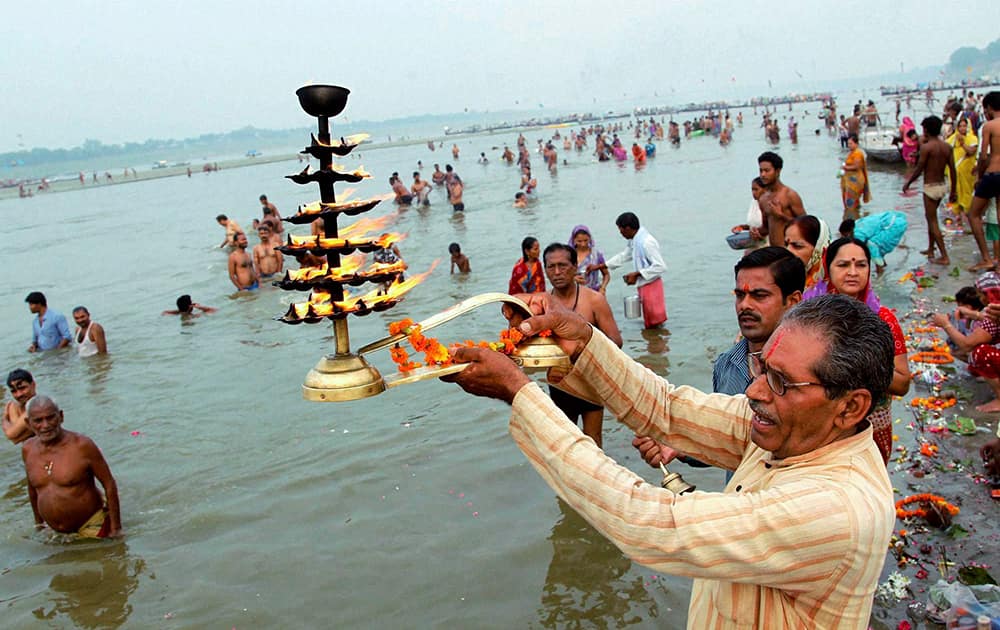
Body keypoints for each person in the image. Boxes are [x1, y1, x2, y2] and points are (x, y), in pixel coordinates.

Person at [443, 293, 895, 629]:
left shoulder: (836, 508)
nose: (755, 391)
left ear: (851, 408)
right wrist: (582, 342)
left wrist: (519, 393)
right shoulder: (787, 431)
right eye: (760, 367)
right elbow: (666, 408)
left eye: (781, 382)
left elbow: (650, 523)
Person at [634, 247, 805, 476]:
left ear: (792, 301)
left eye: (759, 295)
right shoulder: (727, 364)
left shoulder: (811, 373)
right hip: (737, 501)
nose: (745, 305)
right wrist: (678, 446)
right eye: (740, 295)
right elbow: (726, 442)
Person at [802, 238, 911, 462]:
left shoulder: (884, 320)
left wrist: (856, 364)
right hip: (820, 425)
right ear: (828, 269)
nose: (853, 272)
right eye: (843, 265)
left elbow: (902, 383)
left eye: (861, 265)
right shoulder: (809, 317)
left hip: (870, 429)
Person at [542, 243, 622, 447]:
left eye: (563, 265)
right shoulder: (541, 305)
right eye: (551, 267)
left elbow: (616, 342)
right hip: (559, 383)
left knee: (594, 443)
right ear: (545, 270)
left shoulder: (594, 300)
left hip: (590, 381)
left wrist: (584, 348)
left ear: (575, 266)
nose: (557, 272)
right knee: (565, 444)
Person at [21, 395, 122, 539]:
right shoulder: (28, 449)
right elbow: (32, 489)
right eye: (38, 420)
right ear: (28, 423)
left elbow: (109, 484)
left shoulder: (82, 446)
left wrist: (116, 528)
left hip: (94, 527)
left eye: (50, 418)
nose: (45, 425)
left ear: (61, 416)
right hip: (57, 534)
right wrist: (39, 525)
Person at [932, 272, 1000, 412]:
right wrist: (971, 315)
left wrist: (946, 324)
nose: (980, 298)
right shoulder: (991, 312)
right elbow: (982, 318)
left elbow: (966, 344)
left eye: (982, 293)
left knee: (979, 353)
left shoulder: (994, 314)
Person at [903, 116, 959, 267]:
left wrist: (908, 183)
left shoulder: (927, 148)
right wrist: (953, 191)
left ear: (926, 130)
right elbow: (953, 171)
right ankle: (930, 249)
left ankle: (944, 256)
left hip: (930, 187)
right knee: (931, 217)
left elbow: (919, 169)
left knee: (932, 220)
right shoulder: (947, 147)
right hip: (942, 186)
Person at [604, 212, 667, 328]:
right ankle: (654, 342)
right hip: (644, 285)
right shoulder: (635, 240)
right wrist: (603, 265)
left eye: (620, 230)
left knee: (655, 321)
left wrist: (637, 274)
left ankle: (658, 343)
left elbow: (660, 266)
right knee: (649, 320)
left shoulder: (647, 242)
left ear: (627, 228)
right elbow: (625, 255)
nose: (620, 233)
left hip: (652, 286)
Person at [969, 92, 1000, 270]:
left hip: (993, 174)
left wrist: (979, 177)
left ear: (988, 107)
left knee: (973, 214)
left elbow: (983, 156)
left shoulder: (989, 126)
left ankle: (987, 257)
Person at [756, 152, 806, 247]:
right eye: (761, 171)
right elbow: (766, 228)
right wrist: (754, 232)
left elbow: (806, 225)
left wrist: (781, 216)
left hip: (790, 250)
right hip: (774, 251)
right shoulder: (763, 199)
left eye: (767, 171)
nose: (763, 175)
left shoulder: (790, 195)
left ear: (778, 171)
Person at [839, 212, 908, 275]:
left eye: (845, 235)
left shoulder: (858, 233)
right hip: (895, 219)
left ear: (850, 230)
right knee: (876, 246)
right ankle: (882, 266)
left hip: (894, 225)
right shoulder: (858, 223)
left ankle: (880, 274)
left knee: (873, 245)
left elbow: (857, 250)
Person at [948, 117, 979, 215]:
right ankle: (957, 217)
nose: (962, 128)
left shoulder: (973, 138)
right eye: (960, 126)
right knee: (955, 192)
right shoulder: (953, 138)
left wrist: (962, 144)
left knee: (967, 192)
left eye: (964, 126)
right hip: (955, 171)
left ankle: (968, 214)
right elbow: (945, 148)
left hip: (968, 171)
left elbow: (971, 151)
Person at [731, 177, 769, 253]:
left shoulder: (769, 204)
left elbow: (771, 227)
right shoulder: (754, 203)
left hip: (767, 243)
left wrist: (760, 235)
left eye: (756, 189)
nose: (753, 193)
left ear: (765, 190)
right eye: (752, 189)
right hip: (754, 243)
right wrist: (742, 227)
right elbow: (754, 224)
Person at [569, 225, 610, 294]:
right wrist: (573, 279)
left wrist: (603, 288)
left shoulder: (596, 255)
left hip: (594, 293)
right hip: (575, 293)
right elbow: (563, 275)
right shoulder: (568, 255)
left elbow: (606, 275)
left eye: (586, 240)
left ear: (590, 238)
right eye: (579, 241)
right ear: (574, 240)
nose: (583, 244)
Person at [840, 134, 870, 221]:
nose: (849, 146)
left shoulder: (858, 153)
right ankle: (856, 217)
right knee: (852, 202)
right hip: (850, 181)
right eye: (848, 144)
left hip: (855, 182)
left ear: (856, 143)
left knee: (851, 203)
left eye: (851, 144)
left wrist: (845, 168)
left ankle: (853, 219)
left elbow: (857, 166)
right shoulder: (852, 153)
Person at [3, 369, 36, 444]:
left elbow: (11, 435)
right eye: (14, 391)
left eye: (22, 388)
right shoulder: (13, 406)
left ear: (33, 385)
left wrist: (4, 418)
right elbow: (14, 438)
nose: (19, 394)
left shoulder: (38, 406)